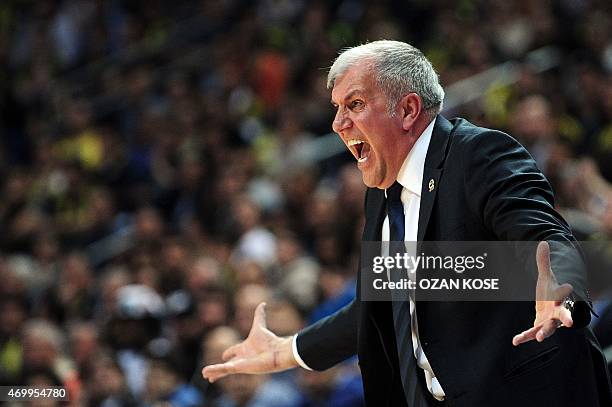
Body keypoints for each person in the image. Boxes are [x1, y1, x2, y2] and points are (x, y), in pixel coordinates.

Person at [202, 40, 612, 407]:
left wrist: (561, 291)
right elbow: (379, 305)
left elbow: (543, 236)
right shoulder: (381, 194)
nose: (337, 123)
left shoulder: (478, 154)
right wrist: (288, 351)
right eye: (337, 108)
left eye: (355, 104)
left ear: (408, 109)